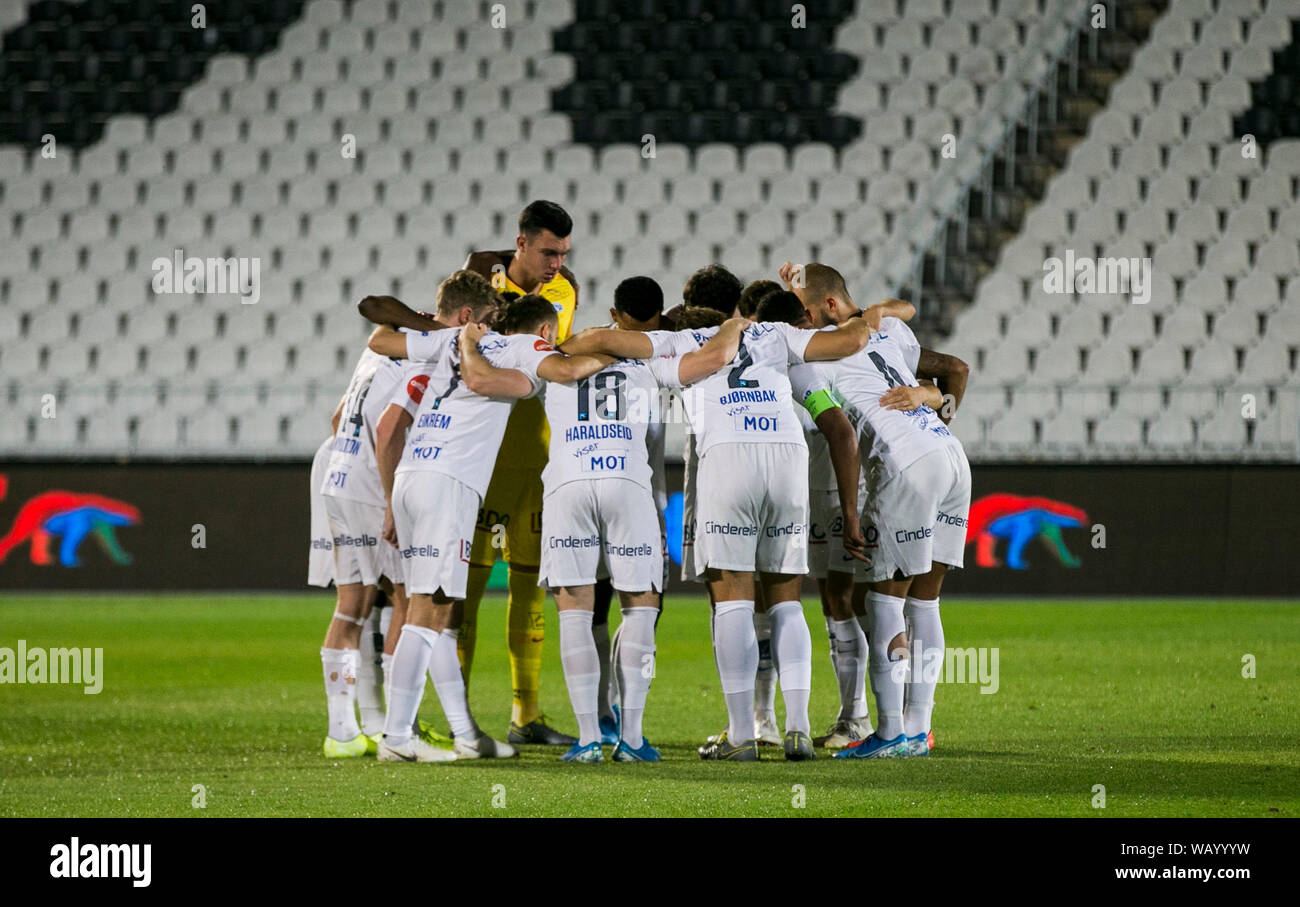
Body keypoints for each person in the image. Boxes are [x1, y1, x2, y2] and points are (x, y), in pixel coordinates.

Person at [565, 306, 877, 761]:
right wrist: (868, 314)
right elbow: (852, 340)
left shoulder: (679, 341)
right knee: (786, 599)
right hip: (786, 453)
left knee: (732, 598)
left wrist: (558, 347)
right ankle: (799, 729)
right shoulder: (775, 332)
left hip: (728, 455)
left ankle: (740, 736)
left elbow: (605, 340)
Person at [467, 298, 746, 763]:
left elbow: (491, 379)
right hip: (627, 481)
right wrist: (734, 324)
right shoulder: (645, 361)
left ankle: (588, 739)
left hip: (567, 485)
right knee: (639, 608)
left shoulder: (549, 365)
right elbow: (713, 358)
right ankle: (632, 739)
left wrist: (470, 339)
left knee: (574, 610)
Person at [369, 293, 610, 762]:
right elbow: (564, 371)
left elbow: (380, 339)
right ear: (544, 332)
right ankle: (397, 739)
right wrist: (617, 351)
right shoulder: (521, 348)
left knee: (440, 613)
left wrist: (442, 332)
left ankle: (465, 735)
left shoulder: (452, 343)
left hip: (413, 476)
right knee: (427, 611)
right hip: (449, 484)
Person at [785, 262, 971, 759]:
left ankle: (890, 733)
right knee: (926, 603)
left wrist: (849, 513)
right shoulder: (887, 329)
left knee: (884, 602)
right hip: (950, 454)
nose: (796, 324)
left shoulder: (810, 359)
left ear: (825, 307)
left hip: (906, 465)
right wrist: (934, 398)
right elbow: (950, 371)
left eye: (802, 312)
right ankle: (917, 730)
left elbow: (842, 433)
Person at [460, 200, 581, 745]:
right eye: (549, 251)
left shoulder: (561, 291)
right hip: (481, 461)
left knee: (531, 589)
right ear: (523, 243)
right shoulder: (481, 282)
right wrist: (479, 275)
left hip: (536, 457)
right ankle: (458, 715)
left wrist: (481, 275)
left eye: (563, 253)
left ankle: (525, 715)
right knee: (464, 590)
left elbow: (515, 330)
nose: (557, 263)